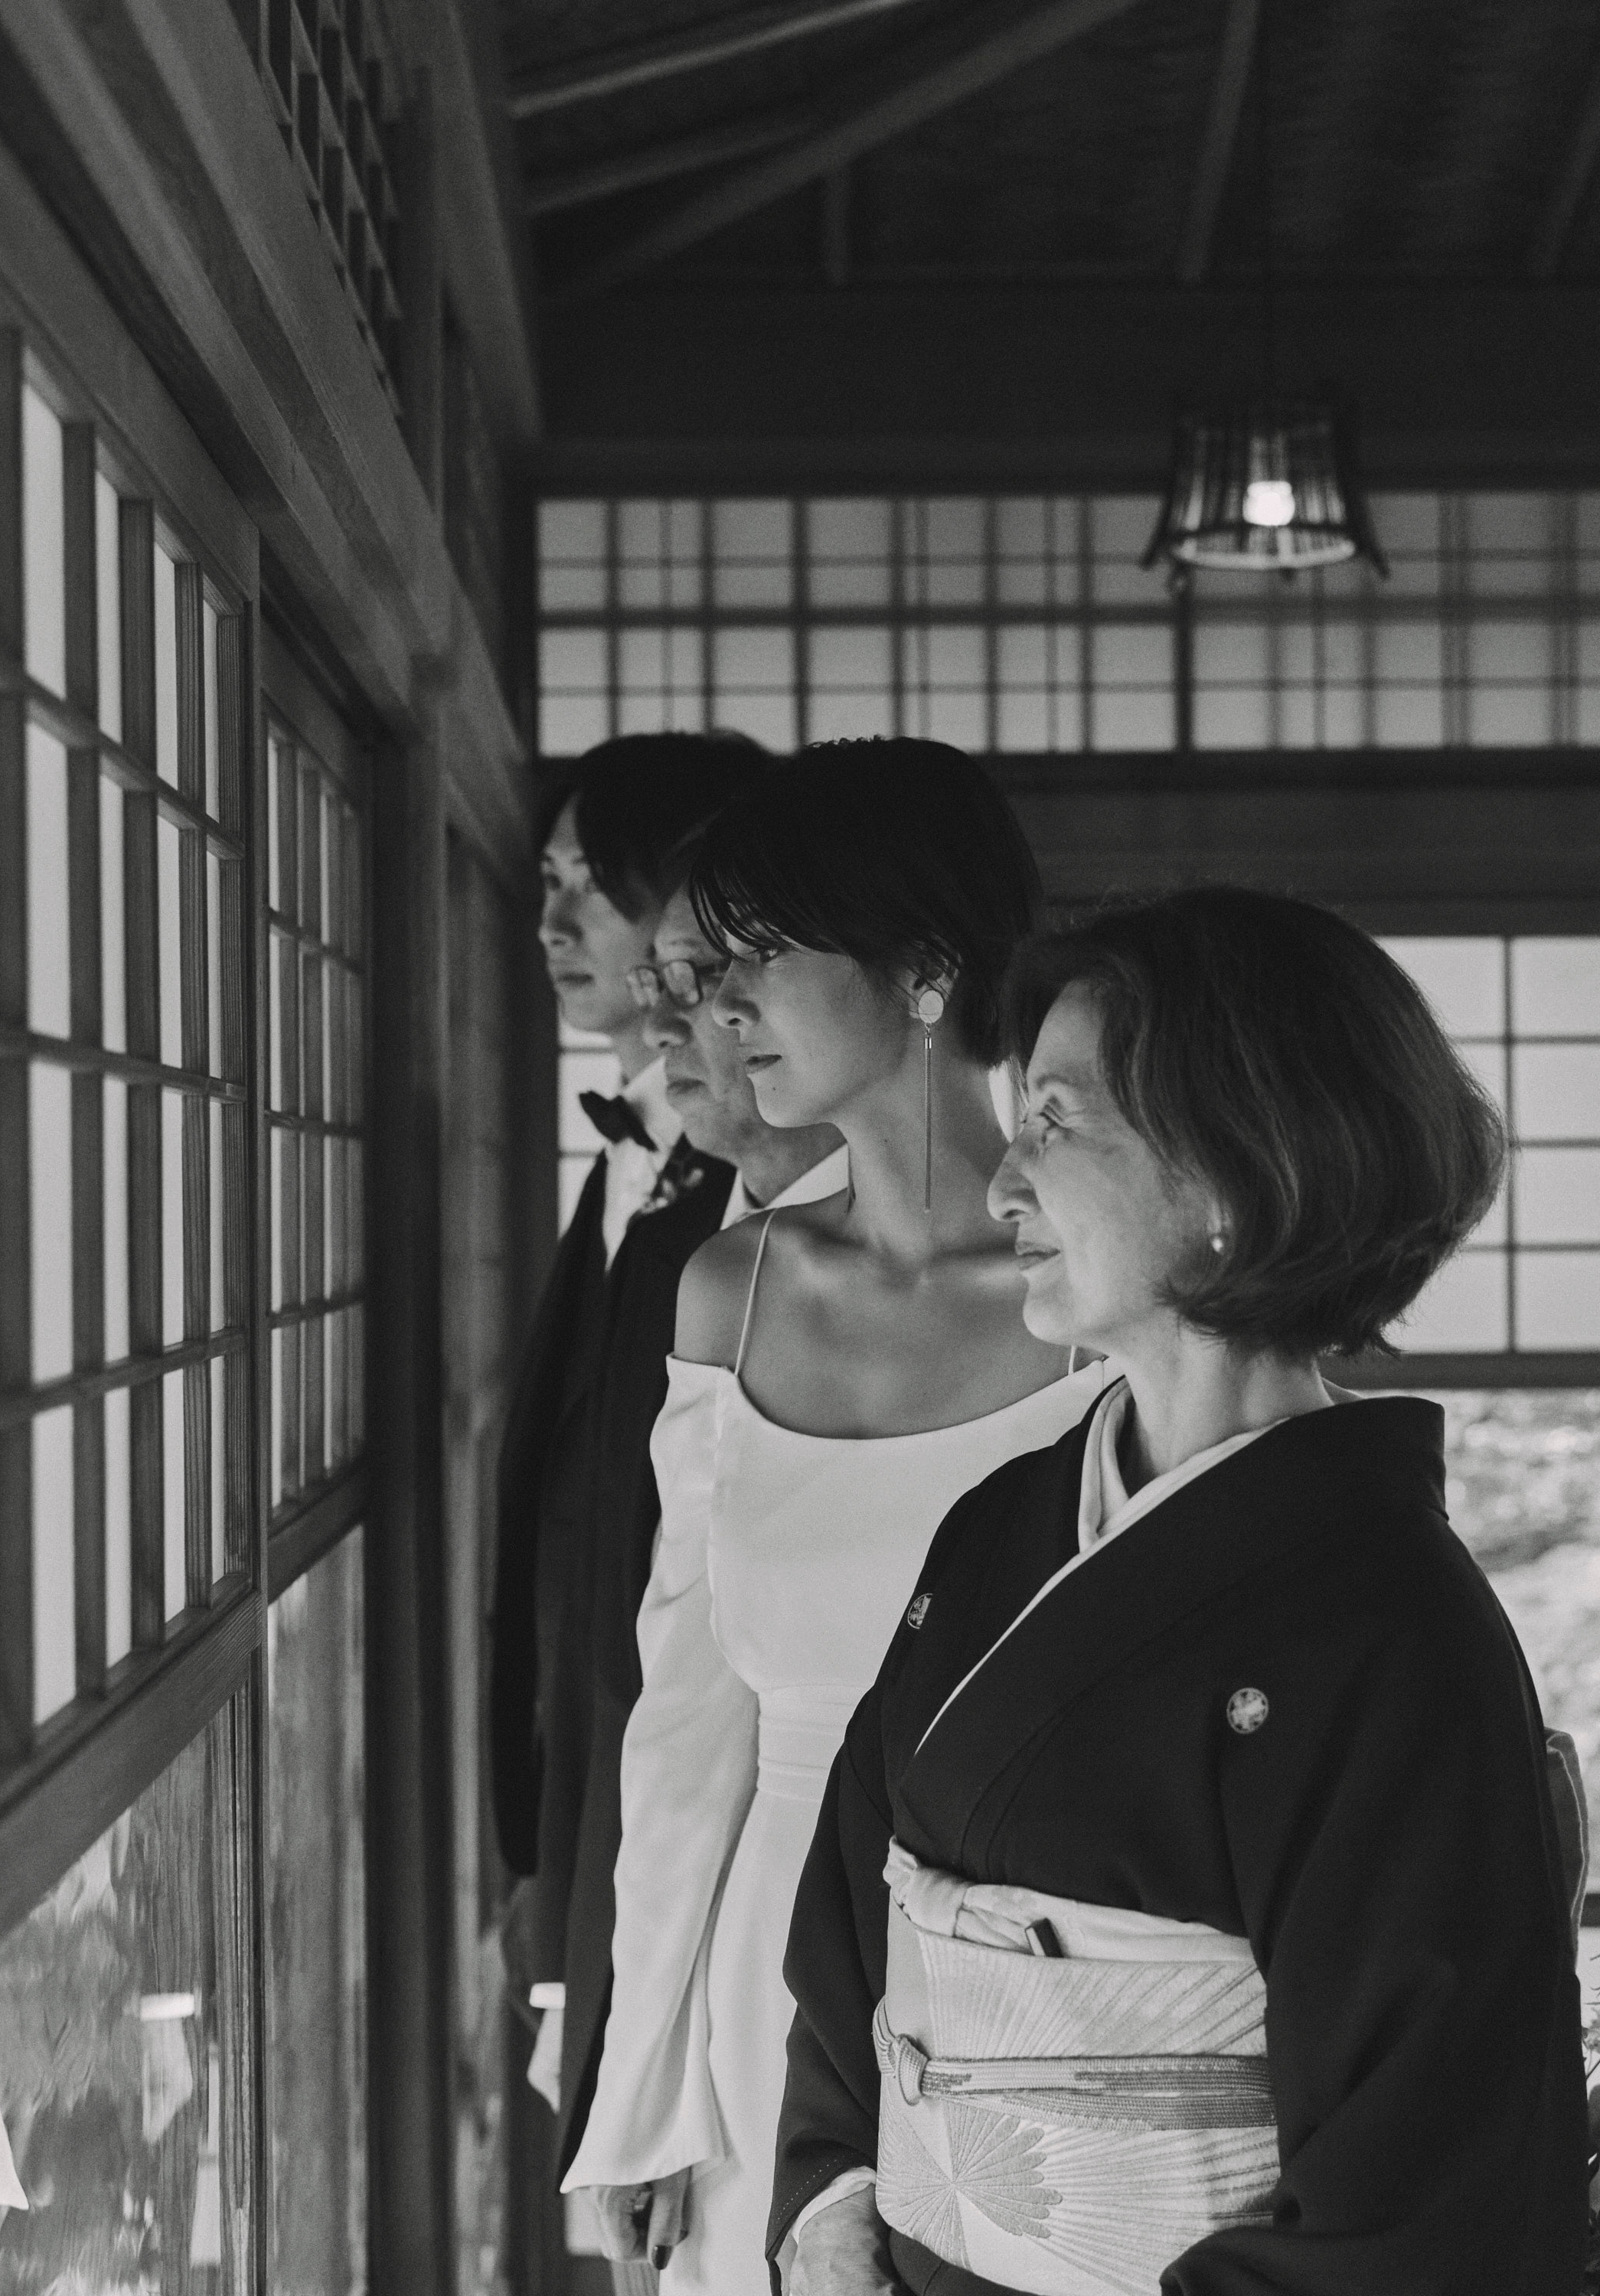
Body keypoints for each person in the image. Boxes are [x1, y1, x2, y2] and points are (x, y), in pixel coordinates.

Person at [771, 887, 1589, 2296]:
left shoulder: (1393, 1631)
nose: (1000, 1183)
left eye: (1057, 1125)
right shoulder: (999, 1527)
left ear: (1230, 1179)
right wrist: (831, 2192)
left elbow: (1426, 2178)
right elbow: (853, 1912)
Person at [562, 741, 1114, 2294]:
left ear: (927, 971)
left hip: (1030, 1980)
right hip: (760, 1976)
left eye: (758, 960)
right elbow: (681, 1724)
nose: (715, 1011)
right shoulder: (728, 1292)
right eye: (705, 966)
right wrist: (640, 2089)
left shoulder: (1105, 1306)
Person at [549, 874, 848, 2291]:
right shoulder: (712, 1269)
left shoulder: (1062, 1295)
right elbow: (661, 1674)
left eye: (723, 977)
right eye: (673, 981)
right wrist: (628, 2060)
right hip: (740, 1923)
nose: (686, 1022)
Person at [488, 732, 765, 2034]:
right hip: (582, 1791)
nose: (554, 918)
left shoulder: (751, 1198)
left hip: (679, 1816)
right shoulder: (633, 1160)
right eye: (550, 877)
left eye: (594, 881)